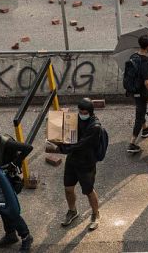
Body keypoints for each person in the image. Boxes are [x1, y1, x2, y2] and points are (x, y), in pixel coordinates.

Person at [47, 98, 103, 231]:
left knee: (89, 191)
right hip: (72, 161)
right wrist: (56, 126)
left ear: (90, 112)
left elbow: (80, 145)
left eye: (84, 112)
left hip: (86, 163)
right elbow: (66, 132)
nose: (81, 114)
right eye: (80, 111)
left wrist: (59, 149)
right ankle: (72, 211)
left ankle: (96, 214)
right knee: (68, 189)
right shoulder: (75, 119)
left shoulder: (95, 127)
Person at [126, 35, 148, 154]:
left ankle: (145, 129)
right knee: (140, 114)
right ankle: (132, 143)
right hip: (141, 91)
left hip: (132, 90)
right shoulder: (145, 63)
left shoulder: (134, 56)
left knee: (141, 110)